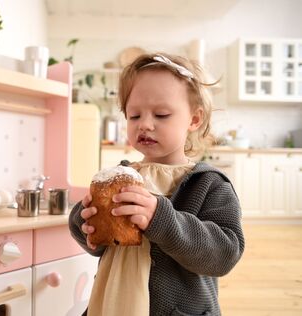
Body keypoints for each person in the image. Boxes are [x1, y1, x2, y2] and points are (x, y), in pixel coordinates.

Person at [68, 52, 245, 316]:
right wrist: (84, 224)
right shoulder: (119, 177)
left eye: (161, 115)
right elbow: (102, 246)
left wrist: (161, 219)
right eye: (134, 115)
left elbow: (225, 254)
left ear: (194, 120)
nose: (145, 125)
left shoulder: (209, 184)